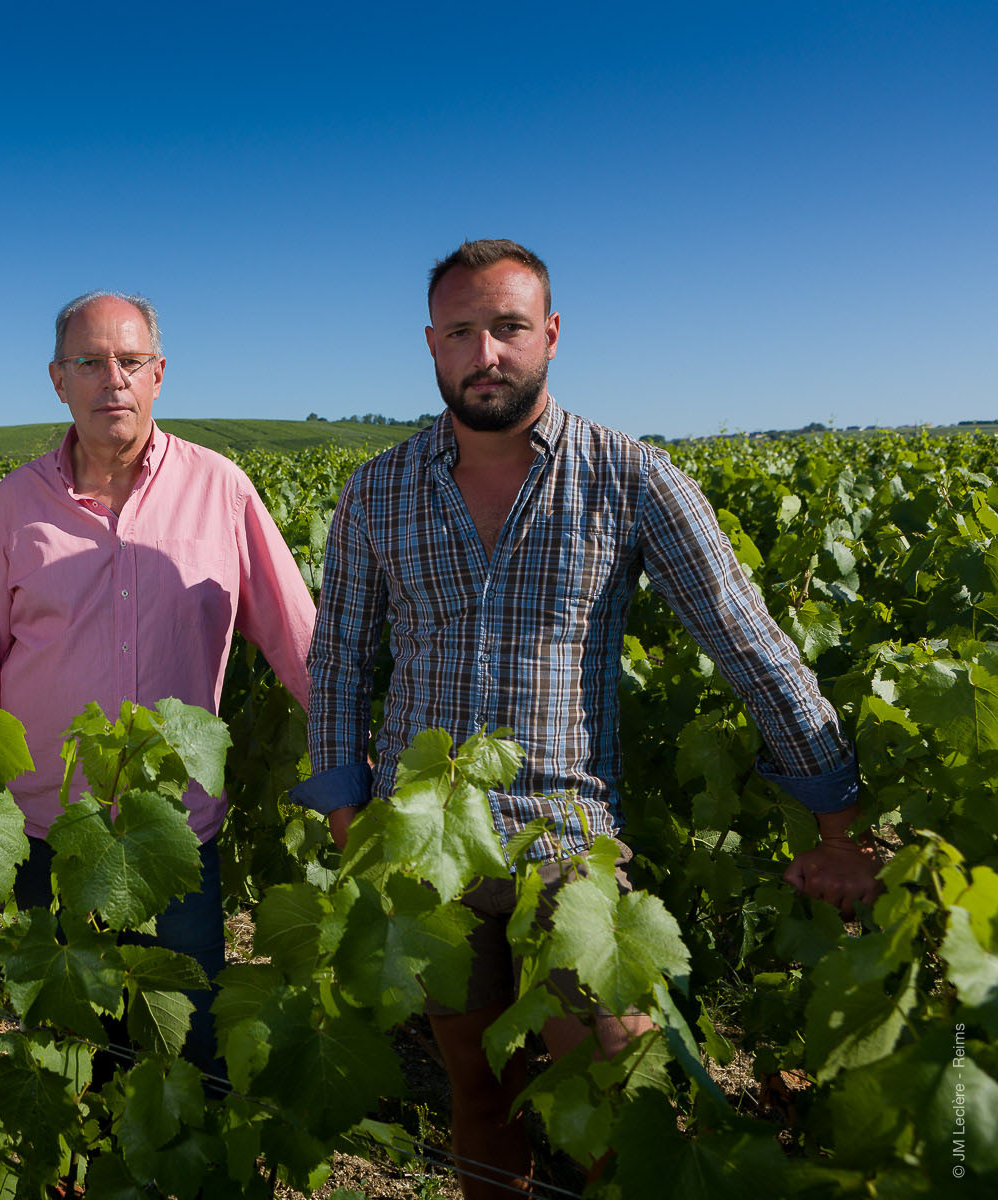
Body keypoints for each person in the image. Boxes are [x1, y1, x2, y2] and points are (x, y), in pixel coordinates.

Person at [295, 240, 881, 1198]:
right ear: (432, 345)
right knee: (477, 1095)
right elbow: (340, 663)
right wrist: (348, 813)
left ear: (552, 336)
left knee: (617, 1091)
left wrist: (836, 816)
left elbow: (748, 641)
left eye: (510, 327)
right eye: (462, 331)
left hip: (566, 845)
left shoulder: (632, 478)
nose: (486, 352)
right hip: (426, 853)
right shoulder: (376, 491)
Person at [0, 291, 316, 1074]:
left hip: (171, 838)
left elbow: (299, 642)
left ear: (158, 375)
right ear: (58, 380)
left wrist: (358, 768)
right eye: (89, 362)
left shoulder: (222, 489)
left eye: (129, 361)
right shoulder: (13, 507)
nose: (110, 379)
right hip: (48, 837)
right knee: (66, 1065)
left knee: (185, 1059)